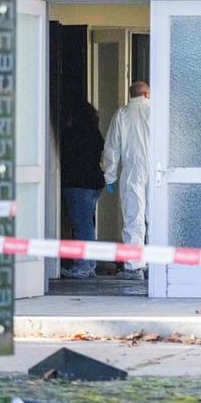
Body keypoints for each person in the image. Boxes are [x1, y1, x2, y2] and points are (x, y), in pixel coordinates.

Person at [103, 81, 150, 280]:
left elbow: (112, 148)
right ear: (147, 94)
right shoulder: (159, 111)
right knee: (157, 218)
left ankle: (134, 267)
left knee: (134, 219)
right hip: (158, 170)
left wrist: (110, 176)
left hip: (132, 171)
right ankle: (157, 265)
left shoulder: (121, 115)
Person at [60, 99, 105, 278]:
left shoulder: (71, 134)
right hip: (94, 182)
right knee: (87, 223)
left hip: (78, 183)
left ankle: (83, 265)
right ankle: (89, 263)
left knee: (81, 224)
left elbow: (66, 158)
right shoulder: (95, 133)